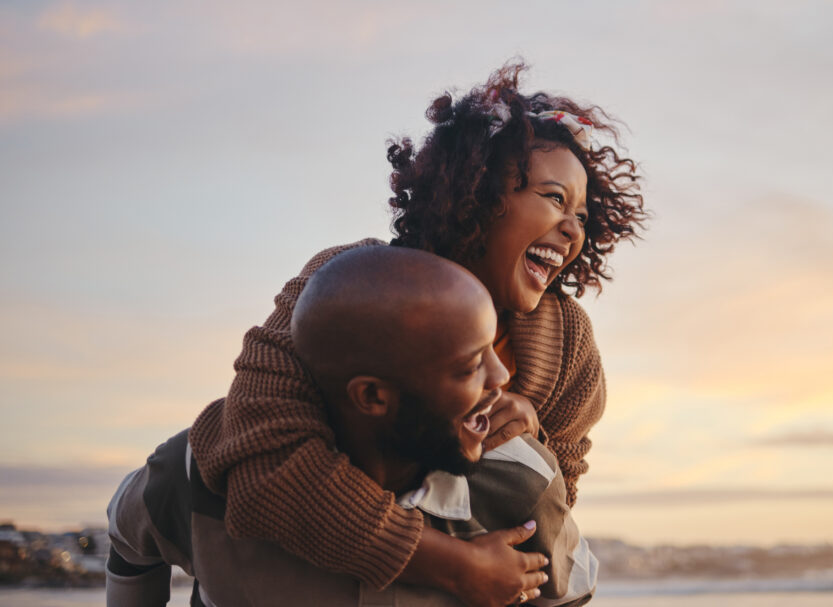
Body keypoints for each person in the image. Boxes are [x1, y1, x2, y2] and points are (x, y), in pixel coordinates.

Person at [187, 60, 645, 607]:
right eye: (552, 198)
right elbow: (264, 463)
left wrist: (533, 442)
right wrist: (453, 566)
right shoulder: (346, 285)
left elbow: (553, 510)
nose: (573, 229)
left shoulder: (567, 342)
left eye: (582, 214)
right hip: (290, 570)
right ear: (478, 192)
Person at [106, 247, 597, 606]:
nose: (504, 377)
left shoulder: (521, 482)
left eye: (495, 346)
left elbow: (569, 594)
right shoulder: (201, 471)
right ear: (372, 396)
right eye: (470, 366)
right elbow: (128, 538)